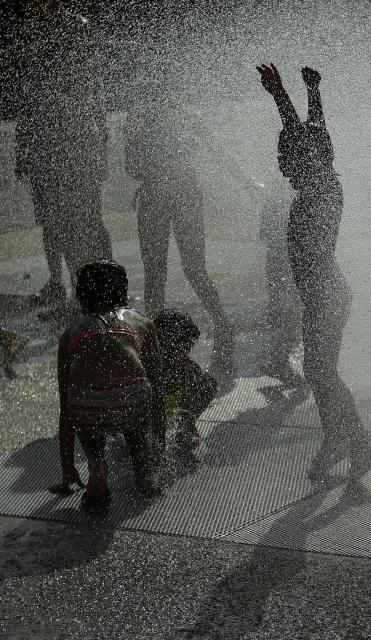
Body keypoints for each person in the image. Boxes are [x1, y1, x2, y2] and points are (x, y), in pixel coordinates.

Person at [256, 63, 371, 479]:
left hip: (325, 296)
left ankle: (359, 438)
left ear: (301, 160)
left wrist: (288, 96)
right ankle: (336, 439)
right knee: (320, 371)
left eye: (283, 156)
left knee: (320, 371)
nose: (279, 164)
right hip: (325, 294)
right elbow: (314, 134)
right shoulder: (324, 183)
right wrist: (303, 92)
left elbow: (307, 138)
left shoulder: (317, 198)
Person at [124, 80, 235, 374]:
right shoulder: (167, 119)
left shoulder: (161, 120)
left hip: (169, 195)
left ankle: (216, 326)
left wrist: (152, 166)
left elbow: (132, 166)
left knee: (171, 270)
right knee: (175, 270)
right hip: (171, 194)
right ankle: (214, 325)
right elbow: (132, 166)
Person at [5, 0, 111, 307]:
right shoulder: (33, 44)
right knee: (52, 222)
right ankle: (60, 284)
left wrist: (98, 148)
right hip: (45, 150)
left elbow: (88, 94)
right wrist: (22, 149)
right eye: (26, 13)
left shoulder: (73, 29)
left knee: (84, 220)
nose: (28, 17)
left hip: (75, 148)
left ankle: (101, 288)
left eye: (34, 9)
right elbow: (29, 102)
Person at [48, 260, 165, 510]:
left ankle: (97, 471)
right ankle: (144, 470)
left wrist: (67, 467)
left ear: (79, 296)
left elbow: (65, 407)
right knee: (136, 407)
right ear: (123, 292)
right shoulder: (140, 322)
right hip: (132, 401)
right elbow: (157, 383)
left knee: (84, 409)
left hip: (87, 408)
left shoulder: (70, 333)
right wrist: (161, 439)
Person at [152, 308, 219, 452]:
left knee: (209, 382)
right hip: (143, 423)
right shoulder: (145, 364)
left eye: (176, 343)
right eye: (162, 341)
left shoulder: (189, 368)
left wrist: (187, 420)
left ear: (187, 346)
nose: (168, 348)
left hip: (166, 417)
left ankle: (185, 428)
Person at [257, 172, 302, 383]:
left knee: (285, 304)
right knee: (295, 305)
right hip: (288, 249)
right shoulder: (290, 182)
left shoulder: (282, 180)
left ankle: (277, 357)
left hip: (283, 247)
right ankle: (278, 358)